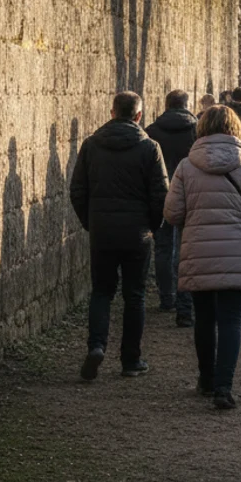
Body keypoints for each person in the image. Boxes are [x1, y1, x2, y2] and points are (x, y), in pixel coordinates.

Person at [164, 106, 241, 409]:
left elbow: (172, 213)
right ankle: (224, 386)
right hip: (237, 250)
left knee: (204, 319)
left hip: (199, 250)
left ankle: (206, 378)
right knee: (231, 320)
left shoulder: (186, 167)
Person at [71, 92, 169, 380]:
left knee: (101, 291)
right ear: (138, 116)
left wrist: (91, 222)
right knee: (134, 295)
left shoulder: (91, 145)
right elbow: (159, 194)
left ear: (112, 112)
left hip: (102, 230)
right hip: (137, 232)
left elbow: (77, 190)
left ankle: (97, 345)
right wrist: (152, 225)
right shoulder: (150, 148)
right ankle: (130, 359)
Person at [146, 90, 198, 326]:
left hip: (161, 195)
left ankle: (167, 297)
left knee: (164, 247)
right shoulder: (197, 130)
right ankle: (185, 298)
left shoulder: (152, 132)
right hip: (190, 194)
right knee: (187, 248)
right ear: (187, 105)